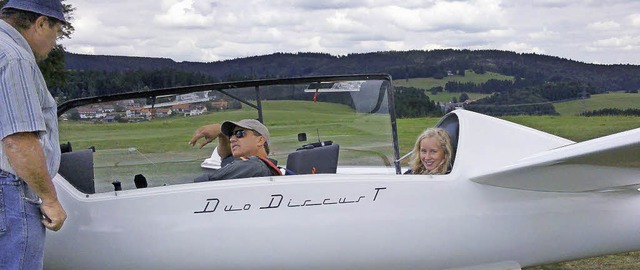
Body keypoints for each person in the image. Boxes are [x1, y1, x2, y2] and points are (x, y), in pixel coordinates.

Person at [0, 0, 67, 268]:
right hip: (10, 192)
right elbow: (18, 140)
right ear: (40, 23)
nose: (54, 43)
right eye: (56, 32)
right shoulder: (14, 58)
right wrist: (50, 199)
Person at [189, 119, 281, 181]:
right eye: (230, 136)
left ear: (260, 140)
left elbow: (203, 182)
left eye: (239, 133)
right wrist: (220, 133)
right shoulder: (244, 165)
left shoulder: (253, 166)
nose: (232, 139)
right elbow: (226, 156)